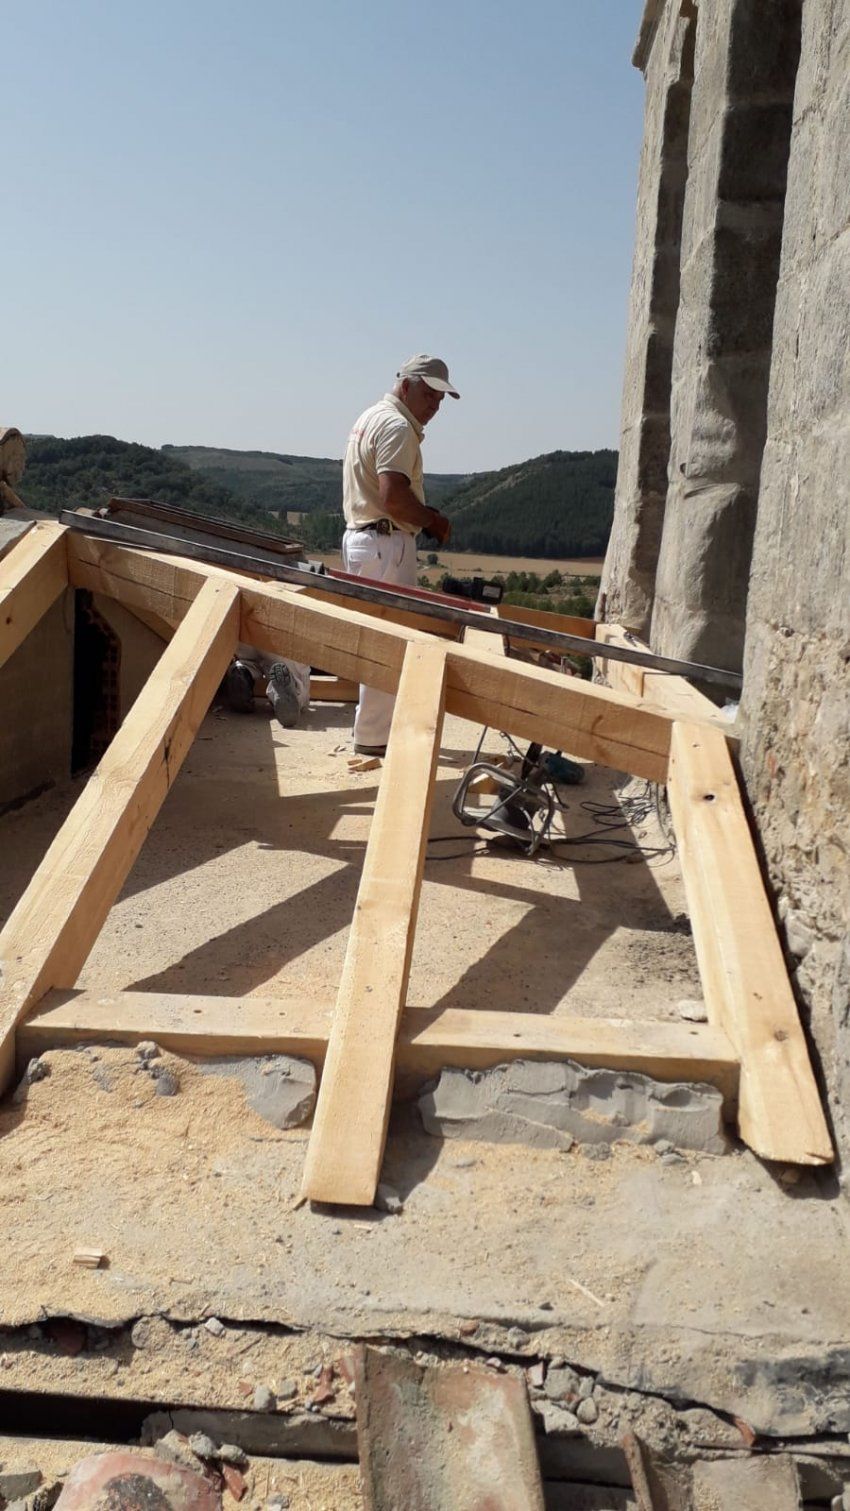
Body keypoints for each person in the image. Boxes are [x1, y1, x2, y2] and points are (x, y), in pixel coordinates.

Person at [342, 354, 459, 754]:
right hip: (385, 543)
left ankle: (370, 732)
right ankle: (374, 738)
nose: (435, 406)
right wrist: (432, 521)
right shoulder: (397, 427)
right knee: (389, 643)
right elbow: (394, 498)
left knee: (376, 639)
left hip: (367, 540)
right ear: (406, 385)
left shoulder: (371, 416)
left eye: (441, 399)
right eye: (429, 395)